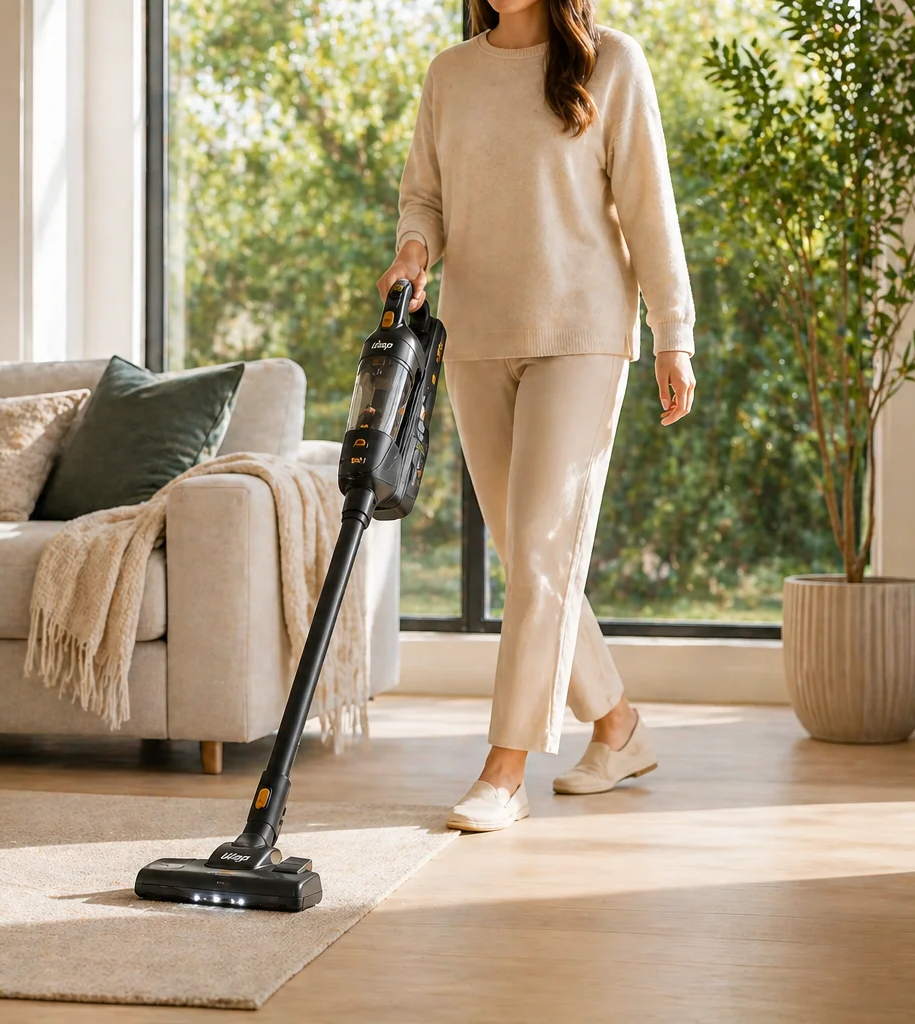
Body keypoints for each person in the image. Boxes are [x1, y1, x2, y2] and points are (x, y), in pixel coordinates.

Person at [378, 0, 696, 831]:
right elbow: (425, 199)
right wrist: (413, 251)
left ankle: (504, 771)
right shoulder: (451, 74)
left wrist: (675, 334)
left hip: (582, 333)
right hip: (478, 335)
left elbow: (649, 207)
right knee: (530, 559)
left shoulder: (611, 63)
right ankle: (618, 726)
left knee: (547, 547)